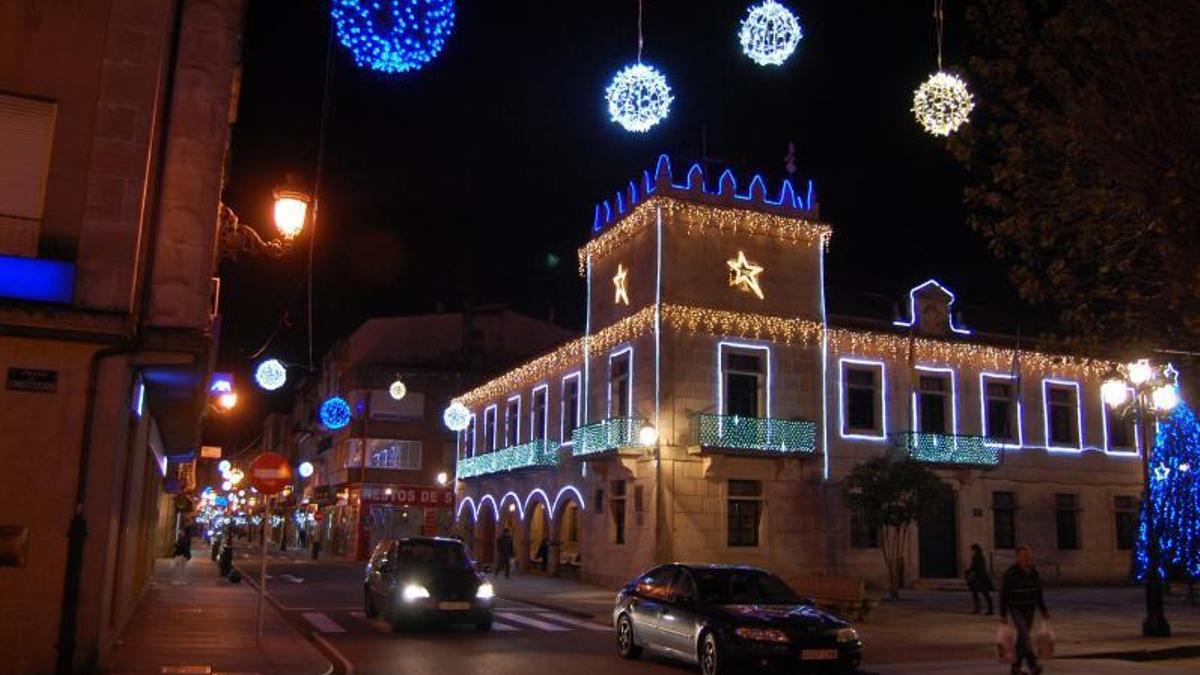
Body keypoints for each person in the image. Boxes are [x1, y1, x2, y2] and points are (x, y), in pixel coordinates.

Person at [999, 545, 1050, 675]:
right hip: (1016, 608)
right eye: (1022, 556)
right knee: (1025, 635)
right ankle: (1033, 665)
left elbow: (1038, 592)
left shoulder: (1033, 572)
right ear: (1017, 557)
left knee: (1022, 638)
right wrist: (1003, 613)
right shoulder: (1011, 573)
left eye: (1027, 556)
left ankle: (1016, 668)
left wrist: (1043, 609)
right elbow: (1004, 594)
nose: (1025, 558)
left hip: (1029, 608)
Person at [967, 543, 994, 615]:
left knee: (978, 593)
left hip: (979, 578)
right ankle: (989, 609)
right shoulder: (981, 557)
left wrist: (968, 571)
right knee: (985, 594)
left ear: (975, 550)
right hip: (982, 577)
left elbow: (975, 568)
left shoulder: (976, 557)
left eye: (972, 550)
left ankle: (979, 609)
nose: (971, 551)